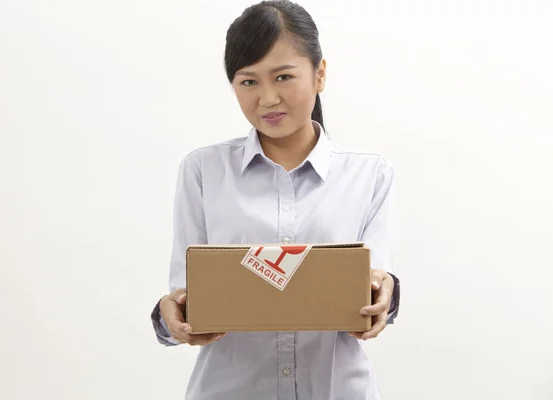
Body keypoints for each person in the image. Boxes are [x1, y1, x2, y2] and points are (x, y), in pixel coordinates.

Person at [151, 1, 401, 399]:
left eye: (283, 76)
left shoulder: (369, 174)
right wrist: (172, 317)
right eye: (248, 82)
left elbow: (376, 287)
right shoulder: (203, 171)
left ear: (319, 74)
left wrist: (385, 298)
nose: (267, 99)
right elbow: (186, 294)